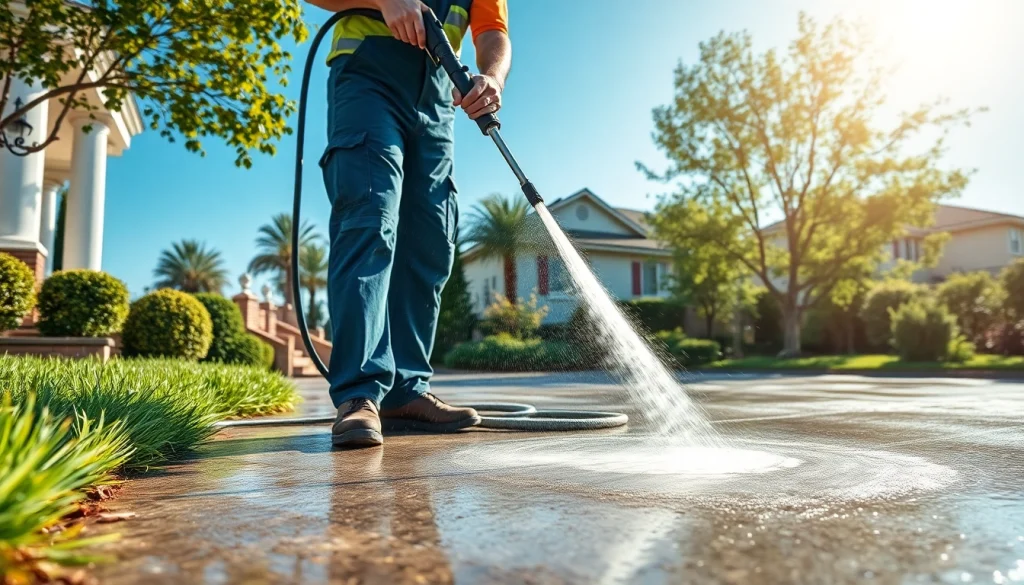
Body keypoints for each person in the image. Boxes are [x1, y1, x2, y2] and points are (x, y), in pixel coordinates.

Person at [302, 0, 511, 447]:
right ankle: (359, 395)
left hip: (437, 95)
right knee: (370, 220)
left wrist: (491, 77)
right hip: (368, 76)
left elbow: (492, 30)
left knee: (430, 237)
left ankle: (405, 391)